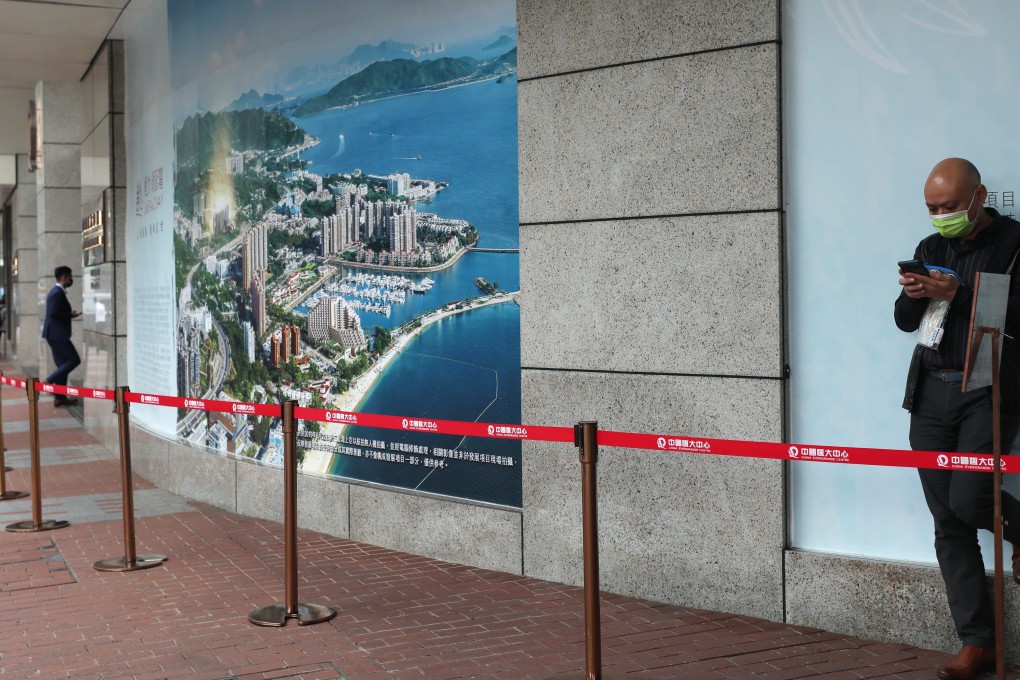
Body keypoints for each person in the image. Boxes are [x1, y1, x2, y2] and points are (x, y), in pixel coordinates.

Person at [895, 158, 1020, 680]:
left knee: (969, 498)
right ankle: (976, 642)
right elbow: (905, 323)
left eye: (949, 206)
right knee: (947, 519)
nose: (940, 215)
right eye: (932, 207)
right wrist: (913, 292)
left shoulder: (1014, 245)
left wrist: (960, 295)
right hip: (931, 390)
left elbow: (1012, 318)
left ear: (979, 197)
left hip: (985, 391)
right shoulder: (932, 247)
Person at [41, 266, 81, 406]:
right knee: (74, 360)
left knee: (62, 365)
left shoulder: (56, 292)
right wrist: (70, 315)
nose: (71, 279)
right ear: (64, 278)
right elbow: (53, 313)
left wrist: (69, 315)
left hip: (54, 334)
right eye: (70, 277)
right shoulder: (57, 293)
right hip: (57, 335)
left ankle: (60, 397)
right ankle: (49, 381)